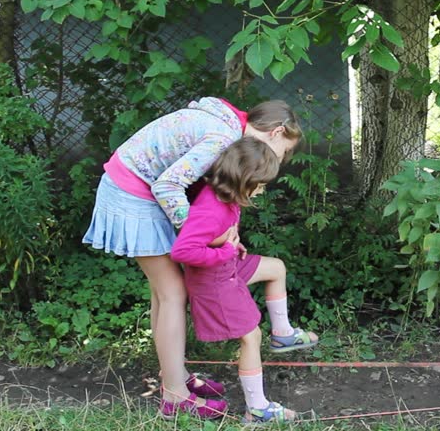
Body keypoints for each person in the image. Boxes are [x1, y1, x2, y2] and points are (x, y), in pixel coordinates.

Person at [82, 98, 302, 419]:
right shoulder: (222, 138)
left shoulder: (230, 124)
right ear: (276, 132)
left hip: (137, 187)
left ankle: (174, 377)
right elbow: (168, 185)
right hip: (132, 192)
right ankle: (174, 397)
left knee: (165, 292)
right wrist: (205, 236)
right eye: (283, 151)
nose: (280, 159)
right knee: (172, 293)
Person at [171, 136, 319, 424]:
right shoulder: (210, 208)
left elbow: (214, 237)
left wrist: (230, 246)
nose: (262, 191)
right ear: (242, 179)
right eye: (260, 185)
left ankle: (284, 333)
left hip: (229, 265)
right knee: (251, 337)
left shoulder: (227, 197)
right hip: (214, 280)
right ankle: (258, 409)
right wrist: (223, 250)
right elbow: (184, 250)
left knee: (276, 268)